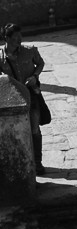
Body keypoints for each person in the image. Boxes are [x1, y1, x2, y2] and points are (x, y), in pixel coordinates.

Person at [2, 23, 47, 171]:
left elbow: (40, 64)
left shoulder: (30, 51)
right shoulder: (1, 58)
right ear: (6, 39)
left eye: (20, 37)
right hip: (12, 99)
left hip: (31, 95)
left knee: (34, 128)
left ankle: (37, 162)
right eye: (15, 38)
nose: (19, 41)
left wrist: (35, 75)